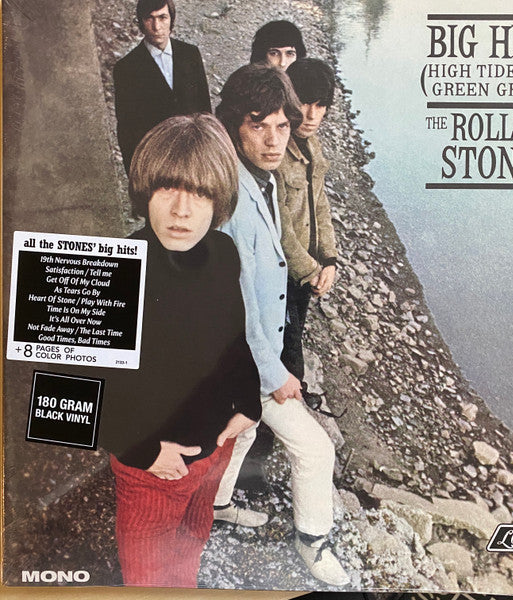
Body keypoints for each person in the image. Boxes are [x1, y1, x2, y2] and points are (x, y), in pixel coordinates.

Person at [100, 113, 261, 587]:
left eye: (200, 193)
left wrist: (248, 402)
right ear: (145, 191)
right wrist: (142, 450)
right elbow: (63, 399)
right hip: (154, 472)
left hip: (214, 454)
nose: (181, 211)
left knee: (192, 543)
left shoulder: (223, 254)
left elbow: (234, 339)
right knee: (149, 581)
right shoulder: (113, 271)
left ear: (219, 200)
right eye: (168, 188)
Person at [213, 64, 350, 587]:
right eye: (258, 125)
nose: (274, 141)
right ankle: (314, 543)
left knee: (243, 433)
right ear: (235, 126)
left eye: (282, 127)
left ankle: (218, 504)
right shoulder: (233, 201)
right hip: (244, 361)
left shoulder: (262, 179)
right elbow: (238, 305)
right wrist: (274, 375)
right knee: (316, 449)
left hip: (254, 355)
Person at [276, 58, 338, 384]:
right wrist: (311, 270)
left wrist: (329, 259)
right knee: (287, 355)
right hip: (284, 273)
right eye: (305, 103)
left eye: (320, 106)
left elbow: (320, 204)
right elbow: (280, 225)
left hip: (306, 272)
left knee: (294, 336)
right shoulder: (276, 150)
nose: (312, 115)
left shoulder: (313, 145)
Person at [113, 0, 212, 173]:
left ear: (171, 19)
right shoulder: (126, 68)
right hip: (156, 163)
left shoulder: (190, 54)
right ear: (141, 22)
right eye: (149, 18)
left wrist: (209, 154)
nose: (156, 26)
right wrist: (135, 174)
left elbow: (205, 109)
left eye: (162, 17)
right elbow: (126, 129)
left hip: (194, 156)